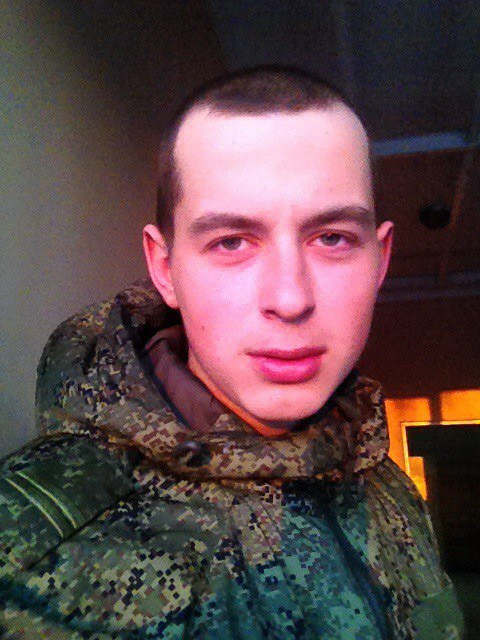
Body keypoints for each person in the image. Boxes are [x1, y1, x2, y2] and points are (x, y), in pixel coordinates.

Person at [0, 66, 463, 640]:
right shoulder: (32, 554)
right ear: (164, 268)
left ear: (381, 259)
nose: (290, 299)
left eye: (332, 238)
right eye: (232, 242)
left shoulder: (388, 485)